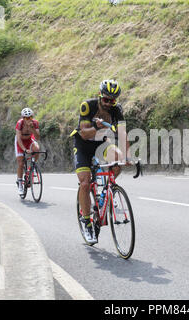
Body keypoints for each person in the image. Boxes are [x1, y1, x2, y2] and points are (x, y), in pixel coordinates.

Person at [71, 79, 130, 244]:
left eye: (113, 100)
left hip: (101, 143)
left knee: (119, 159)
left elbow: (123, 133)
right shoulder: (87, 106)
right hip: (83, 145)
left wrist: (128, 156)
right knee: (84, 182)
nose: (109, 103)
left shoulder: (116, 110)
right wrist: (97, 128)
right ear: (100, 96)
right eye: (106, 99)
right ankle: (87, 220)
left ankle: (105, 194)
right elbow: (84, 134)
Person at [15, 107, 40, 195]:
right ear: (23, 118)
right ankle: (20, 183)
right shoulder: (20, 123)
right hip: (20, 142)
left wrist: (32, 128)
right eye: (26, 117)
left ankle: (31, 169)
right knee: (21, 163)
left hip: (29, 140)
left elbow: (37, 138)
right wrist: (25, 150)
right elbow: (18, 138)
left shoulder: (35, 123)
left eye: (30, 117)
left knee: (37, 149)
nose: (28, 119)